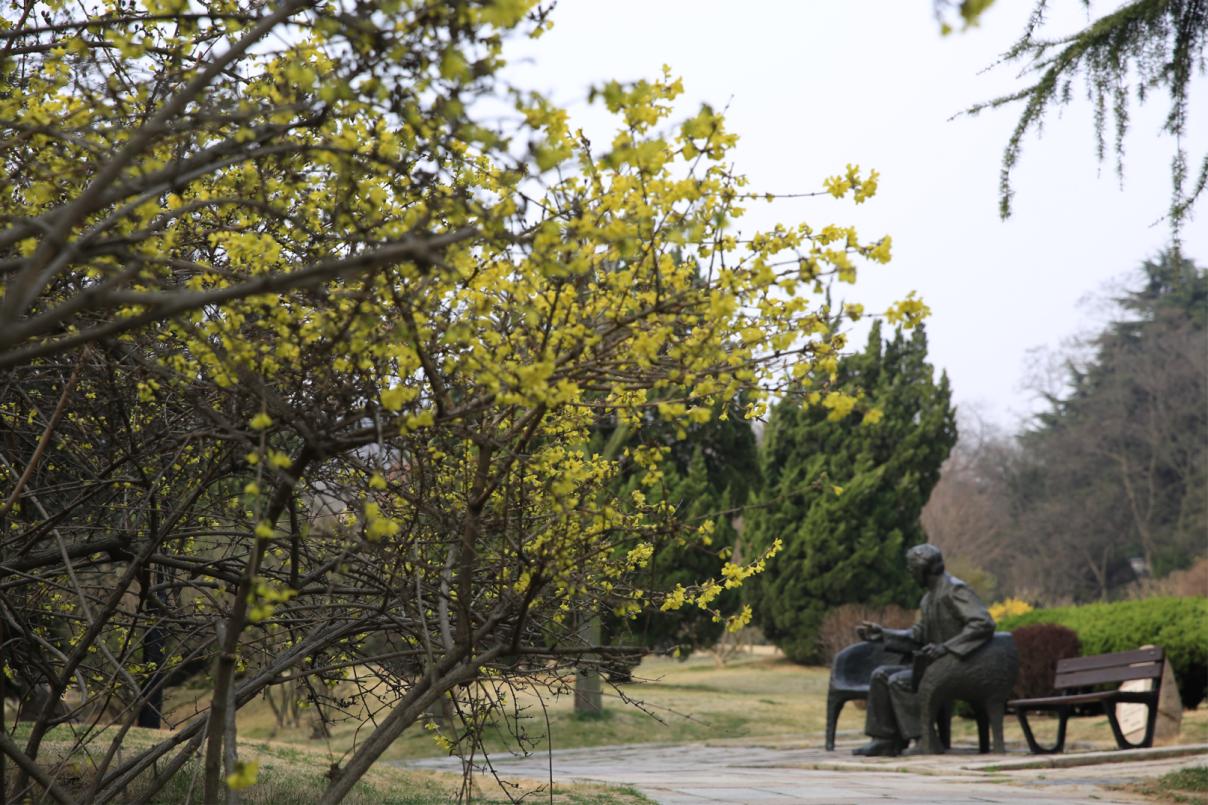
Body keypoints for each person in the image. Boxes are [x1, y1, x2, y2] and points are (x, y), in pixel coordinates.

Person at [852, 543, 995, 757]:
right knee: (880, 675)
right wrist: (884, 634)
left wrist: (946, 648)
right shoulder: (928, 599)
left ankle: (926, 739)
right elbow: (918, 635)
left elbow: (983, 623)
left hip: (961, 663)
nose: (909, 573)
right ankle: (885, 740)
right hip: (938, 664)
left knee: (899, 681)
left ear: (922, 569)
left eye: (911, 569)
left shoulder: (955, 589)